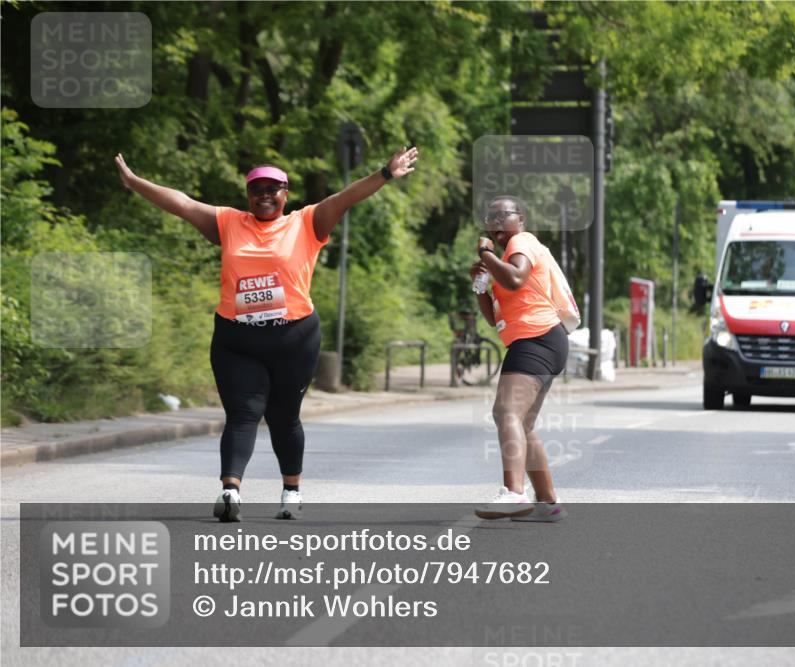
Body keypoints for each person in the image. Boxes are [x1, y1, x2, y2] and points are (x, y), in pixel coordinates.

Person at [114, 147, 419, 521]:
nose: (265, 196)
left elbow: (345, 197)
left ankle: (291, 491)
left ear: (285, 194)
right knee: (242, 414)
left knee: (283, 417)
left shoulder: (306, 223)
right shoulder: (227, 223)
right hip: (237, 339)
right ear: (248, 196)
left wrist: (384, 174)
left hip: (294, 339)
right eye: (257, 189)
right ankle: (230, 491)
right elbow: (182, 203)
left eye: (273, 189)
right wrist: (134, 182)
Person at [470, 196, 568, 522]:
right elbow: (492, 318)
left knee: (505, 411)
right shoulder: (505, 258)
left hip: (536, 338)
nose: (495, 222)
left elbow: (515, 278)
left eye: (503, 215)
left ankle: (513, 492)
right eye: (490, 216)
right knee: (523, 423)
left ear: (520, 219)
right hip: (541, 339)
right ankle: (547, 503)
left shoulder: (522, 242)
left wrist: (485, 253)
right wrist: (481, 288)